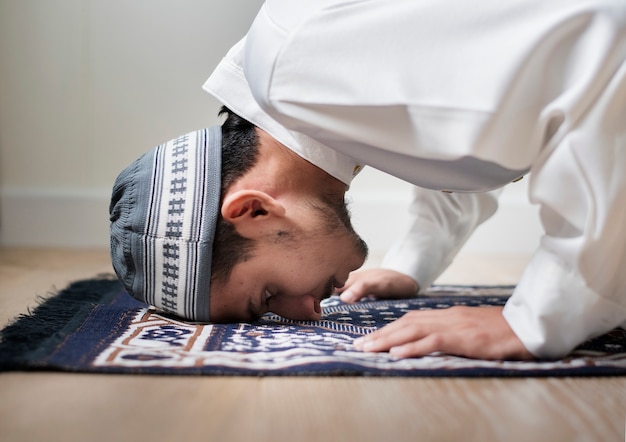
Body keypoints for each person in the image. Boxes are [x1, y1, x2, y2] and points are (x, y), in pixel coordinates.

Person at [110, 0, 626, 360]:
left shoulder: (301, 60)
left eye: (268, 296)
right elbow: (479, 125)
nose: (307, 312)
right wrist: (412, 262)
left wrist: (546, 313)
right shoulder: (310, 88)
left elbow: (602, 54)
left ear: (253, 210)